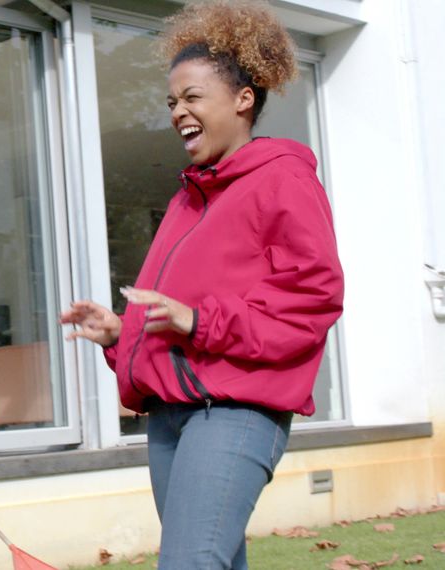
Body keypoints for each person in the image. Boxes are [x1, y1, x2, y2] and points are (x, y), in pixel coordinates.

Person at [60, 2, 344, 568]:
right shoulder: (187, 200)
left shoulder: (281, 178)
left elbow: (313, 300)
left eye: (192, 97)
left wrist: (198, 319)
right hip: (171, 417)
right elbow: (180, 320)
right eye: (171, 102)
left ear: (243, 100)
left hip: (235, 412)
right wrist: (122, 334)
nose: (177, 112)